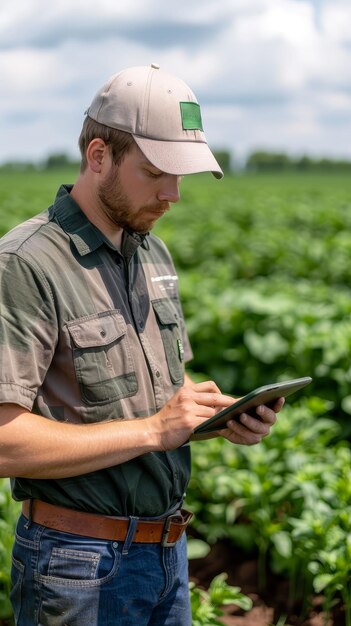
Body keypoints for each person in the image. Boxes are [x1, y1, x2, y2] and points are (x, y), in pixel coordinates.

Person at [0, 64, 284, 626]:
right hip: (78, 565)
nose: (173, 194)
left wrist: (210, 414)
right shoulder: (26, 263)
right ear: (99, 154)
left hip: (167, 555)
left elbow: (155, 393)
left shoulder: (151, 254)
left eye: (181, 177)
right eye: (156, 172)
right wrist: (155, 430)